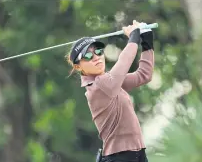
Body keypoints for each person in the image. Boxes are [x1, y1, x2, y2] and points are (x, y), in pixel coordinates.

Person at [66, 20, 154, 162]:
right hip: (119, 158)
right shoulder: (97, 86)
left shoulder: (109, 81)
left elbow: (144, 75)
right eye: (88, 56)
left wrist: (147, 41)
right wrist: (134, 37)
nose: (96, 57)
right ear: (78, 67)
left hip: (138, 154)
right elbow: (122, 65)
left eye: (98, 51)